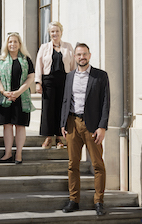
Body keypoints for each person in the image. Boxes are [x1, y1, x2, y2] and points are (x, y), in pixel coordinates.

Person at [61, 43, 110, 216]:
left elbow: (106, 103)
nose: (82, 57)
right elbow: (66, 101)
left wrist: (102, 126)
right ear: (75, 57)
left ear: (90, 55)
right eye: (79, 54)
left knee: (97, 165)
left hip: (92, 126)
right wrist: (63, 124)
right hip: (72, 123)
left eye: (85, 54)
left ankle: (99, 202)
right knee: (72, 165)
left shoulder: (100, 76)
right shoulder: (69, 77)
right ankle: (73, 200)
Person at [0, 32, 35, 164]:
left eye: (15, 41)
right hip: (5, 98)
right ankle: (8, 153)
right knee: (7, 126)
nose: (13, 44)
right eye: (10, 42)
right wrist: (4, 91)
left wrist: (18, 92)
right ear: (7, 44)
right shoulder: (1, 59)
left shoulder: (26, 60)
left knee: (20, 126)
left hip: (21, 98)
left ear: (19, 44)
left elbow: (31, 77)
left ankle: (19, 154)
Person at [35, 21, 76, 149]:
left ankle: (59, 138)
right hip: (48, 80)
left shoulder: (68, 47)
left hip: (64, 80)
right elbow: (38, 65)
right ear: (49, 33)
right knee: (48, 109)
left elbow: (73, 65)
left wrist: (74, 82)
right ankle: (48, 138)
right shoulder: (44, 47)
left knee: (61, 108)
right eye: (52, 31)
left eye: (57, 31)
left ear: (61, 32)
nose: (55, 33)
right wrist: (38, 82)